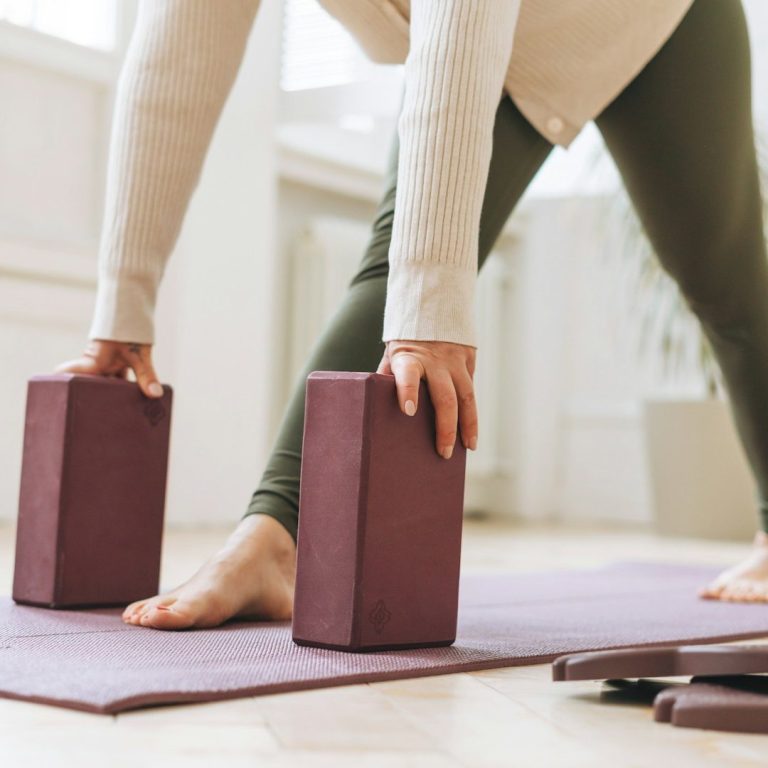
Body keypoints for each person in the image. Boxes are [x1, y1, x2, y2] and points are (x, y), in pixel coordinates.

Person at [56, 0, 768, 630]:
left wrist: (431, 304)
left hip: (659, 18)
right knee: (391, 263)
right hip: (502, 28)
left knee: (732, 290)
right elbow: (173, 63)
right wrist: (124, 304)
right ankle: (276, 537)